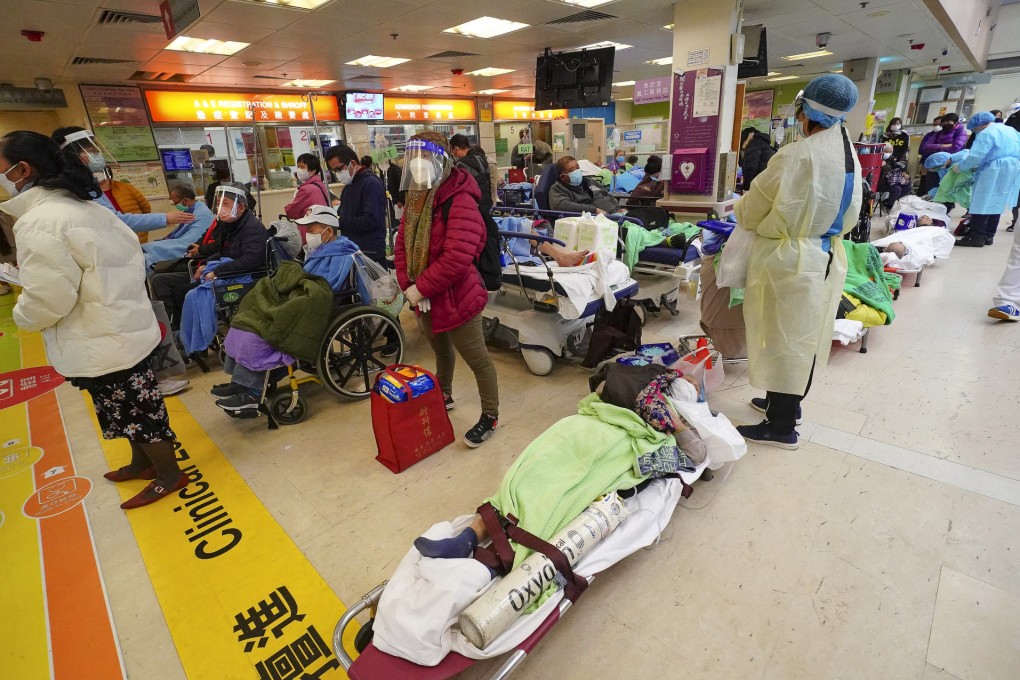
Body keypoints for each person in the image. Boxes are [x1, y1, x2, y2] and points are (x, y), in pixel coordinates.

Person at [0, 130, 187, 509]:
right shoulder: (88, 209)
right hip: (119, 326)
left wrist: (23, 311)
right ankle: (142, 463)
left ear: (23, 169)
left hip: (101, 334)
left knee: (137, 411)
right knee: (124, 408)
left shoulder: (43, 222)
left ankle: (169, 475)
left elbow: (50, 299)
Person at [732, 74, 862, 449]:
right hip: (822, 254)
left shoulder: (796, 154)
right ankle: (780, 403)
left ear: (807, 111)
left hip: (790, 258)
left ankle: (781, 427)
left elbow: (753, 208)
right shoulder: (844, 149)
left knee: (786, 337)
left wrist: (743, 212)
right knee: (799, 334)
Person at [394, 132, 500, 448]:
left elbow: (457, 257)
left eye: (423, 159)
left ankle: (490, 416)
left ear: (441, 160)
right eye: (412, 160)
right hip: (424, 296)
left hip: (457, 296)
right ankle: (445, 393)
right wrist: (411, 286)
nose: (417, 166)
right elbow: (401, 245)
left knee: (477, 358)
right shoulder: (416, 197)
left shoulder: (459, 198)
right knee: (440, 349)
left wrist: (421, 287)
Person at [213, 208, 363, 412]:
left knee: (261, 332)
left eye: (311, 228)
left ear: (328, 231)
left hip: (315, 304)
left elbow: (325, 289)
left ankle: (252, 392)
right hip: (300, 296)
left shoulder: (343, 254)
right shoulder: (320, 251)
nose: (306, 233)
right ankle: (241, 382)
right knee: (246, 321)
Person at [149, 185, 269, 331]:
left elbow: (252, 261)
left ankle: (186, 338)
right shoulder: (230, 225)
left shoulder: (252, 229)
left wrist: (216, 271)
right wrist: (205, 264)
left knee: (182, 292)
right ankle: (173, 330)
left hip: (242, 277)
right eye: (218, 203)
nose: (220, 207)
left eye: (225, 204)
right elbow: (224, 251)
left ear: (241, 208)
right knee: (162, 281)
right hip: (223, 270)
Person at [51, 127, 194, 234]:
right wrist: (165, 218)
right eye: (90, 151)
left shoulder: (93, 186)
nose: (97, 155)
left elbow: (143, 209)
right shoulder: (76, 188)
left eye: (96, 151)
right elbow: (115, 221)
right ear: (72, 156)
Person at [955, 112, 1020, 247]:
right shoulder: (1010, 130)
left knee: (982, 201)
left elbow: (976, 156)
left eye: (974, 130)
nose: (974, 132)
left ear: (979, 125)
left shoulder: (986, 133)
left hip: (994, 168)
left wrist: (961, 166)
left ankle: (976, 237)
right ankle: (989, 236)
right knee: (997, 201)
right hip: (1012, 168)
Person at [324, 145, 388, 264]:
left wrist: (340, 222)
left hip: (370, 253)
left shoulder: (371, 183)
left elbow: (371, 220)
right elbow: (343, 212)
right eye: (334, 171)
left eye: (339, 169)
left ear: (352, 163)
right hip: (353, 249)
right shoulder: (349, 185)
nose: (337, 174)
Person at [142, 184, 215, 271]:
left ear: (185, 200)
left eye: (176, 203)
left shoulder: (203, 214)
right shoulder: (192, 210)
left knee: (145, 256)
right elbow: (176, 234)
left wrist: (155, 247)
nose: (176, 206)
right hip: (180, 242)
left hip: (187, 248)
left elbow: (189, 242)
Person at [548, 156, 621, 214]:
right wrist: (594, 210)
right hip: (595, 221)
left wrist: (618, 209)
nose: (577, 171)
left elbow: (607, 194)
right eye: (572, 170)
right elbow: (562, 206)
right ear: (563, 176)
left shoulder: (589, 181)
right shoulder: (558, 189)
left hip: (616, 214)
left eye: (577, 168)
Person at [450, 134, 495, 212]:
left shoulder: (460, 165)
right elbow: (488, 181)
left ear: (456, 148)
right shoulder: (481, 158)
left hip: (473, 207)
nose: (453, 154)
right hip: (486, 204)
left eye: (452, 151)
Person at [283, 153, 330, 224]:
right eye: (298, 167)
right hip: (323, 225)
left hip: (311, 227)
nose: (299, 170)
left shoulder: (306, 189)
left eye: (302, 167)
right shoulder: (321, 185)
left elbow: (290, 212)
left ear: (313, 170)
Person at [878, 143, 912, 211]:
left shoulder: (891, 159)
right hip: (881, 182)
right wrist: (879, 165)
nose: (888, 153)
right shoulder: (876, 159)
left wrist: (904, 173)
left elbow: (897, 167)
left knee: (908, 186)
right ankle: (889, 206)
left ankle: (887, 201)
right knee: (897, 189)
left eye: (890, 152)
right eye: (886, 151)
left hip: (891, 181)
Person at [919, 116, 943, 195]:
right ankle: (922, 192)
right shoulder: (929, 136)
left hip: (942, 162)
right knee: (925, 180)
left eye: (939, 124)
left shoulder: (947, 136)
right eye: (935, 124)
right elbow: (922, 149)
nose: (937, 126)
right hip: (928, 160)